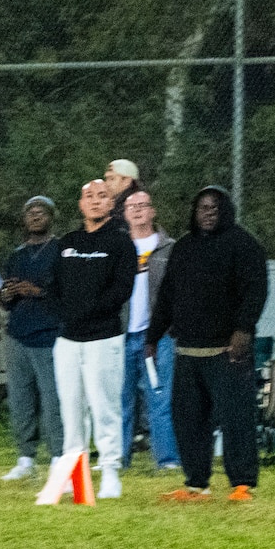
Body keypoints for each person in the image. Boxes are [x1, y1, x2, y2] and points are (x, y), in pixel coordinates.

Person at [147, 186, 269, 501]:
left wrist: (243, 329)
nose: (209, 212)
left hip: (227, 351)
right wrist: (152, 336)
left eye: (215, 207)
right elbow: (167, 296)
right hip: (188, 350)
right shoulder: (183, 247)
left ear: (225, 210)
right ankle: (196, 484)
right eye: (203, 206)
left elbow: (255, 290)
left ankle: (243, 484)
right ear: (194, 211)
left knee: (236, 419)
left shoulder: (243, 244)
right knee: (189, 421)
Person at [51, 179, 136, 499]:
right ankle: (77, 477)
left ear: (112, 204)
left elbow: (122, 290)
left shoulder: (120, 242)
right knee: (71, 408)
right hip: (68, 340)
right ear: (80, 204)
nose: (96, 201)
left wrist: (88, 312)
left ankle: (111, 471)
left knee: (104, 407)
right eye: (89, 196)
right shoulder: (67, 242)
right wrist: (65, 315)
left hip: (104, 337)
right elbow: (53, 287)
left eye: (103, 196)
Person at [0, 196, 64, 480]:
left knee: (52, 402)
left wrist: (36, 290)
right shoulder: (17, 255)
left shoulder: (61, 250)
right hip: (18, 334)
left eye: (41, 212)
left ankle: (58, 457)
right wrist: (6, 295)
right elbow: (6, 301)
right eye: (30, 213)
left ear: (51, 217)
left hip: (49, 333)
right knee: (20, 400)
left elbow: (67, 292)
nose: (35, 216)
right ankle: (25, 458)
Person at [119, 189, 178, 473]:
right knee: (121, 399)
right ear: (125, 213)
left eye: (143, 205)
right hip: (120, 335)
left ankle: (166, 459)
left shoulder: (170, 248)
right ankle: (118, 458)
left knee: (160, 397)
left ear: (153, 211)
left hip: (159, 337)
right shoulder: (118, 247)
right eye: (132, 206)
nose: (138, 210)